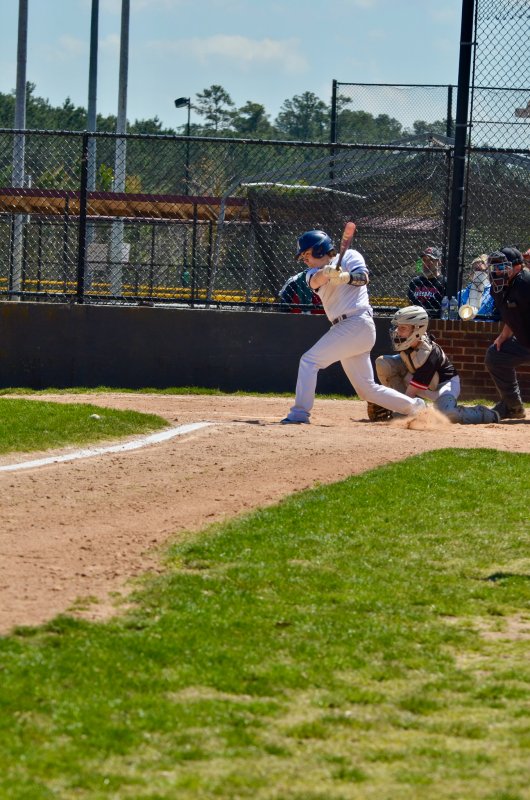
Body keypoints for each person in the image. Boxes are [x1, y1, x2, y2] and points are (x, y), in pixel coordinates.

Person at [280, 229, 427, 424]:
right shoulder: (311, 273)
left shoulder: (350, 255)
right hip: (347, 329)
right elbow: (316, 280)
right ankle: (416, 407)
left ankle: (299, 414)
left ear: (318, 250)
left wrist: (345, 277)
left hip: (357, 322)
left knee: (309, 361)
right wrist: (327, 272)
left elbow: (363, 277)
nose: (304, 260)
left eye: (306, 254)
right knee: (366, 389)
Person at [369, 305, 499, 424]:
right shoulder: (409, 341)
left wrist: (397, 412)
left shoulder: (429, 354)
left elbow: (410, 393)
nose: (397, 331)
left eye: (403, 328)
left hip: (442, 385)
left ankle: (485, 414)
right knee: (384, 363)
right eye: (398, 327)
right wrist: (387, 399)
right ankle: (404, 407)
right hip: (416, 377)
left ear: (418, 329)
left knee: (447, 415)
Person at [484, 247, 530, 420]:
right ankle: (513, 407)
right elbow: (512, 313)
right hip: (525, 341)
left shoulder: (526, 283)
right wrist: (504, 336)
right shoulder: (498, 288)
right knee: (495, 356)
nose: (497, 271)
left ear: (518, 266)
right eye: (494, 267)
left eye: (502, 267)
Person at [407, 246, 446, 318]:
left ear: (439, 262)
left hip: (435, 321)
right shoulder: (415, 282)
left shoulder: (445, 282)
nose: (426, 263)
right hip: (415, 320)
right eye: (424, 260)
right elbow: (409, 304)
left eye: (431, 260)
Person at [457, 254, 497, 320]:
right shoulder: (461, 294)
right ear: (471, 273)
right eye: (476, 269)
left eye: (482, 270)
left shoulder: (493, 294)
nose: (478, 273)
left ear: (488, 273)